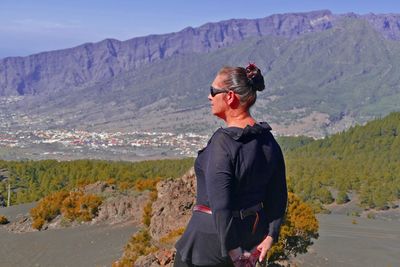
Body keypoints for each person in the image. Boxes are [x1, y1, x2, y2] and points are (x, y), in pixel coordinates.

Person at [174, 63, 288, 267]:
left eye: (213, 91)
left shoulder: (223, 142)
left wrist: (234, 252)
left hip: (209, 246)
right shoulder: (269, 141)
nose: (209, 97)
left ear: (229, 97)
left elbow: (220, 203)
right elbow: (278, 196)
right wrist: (270, 235)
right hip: (253, 239)